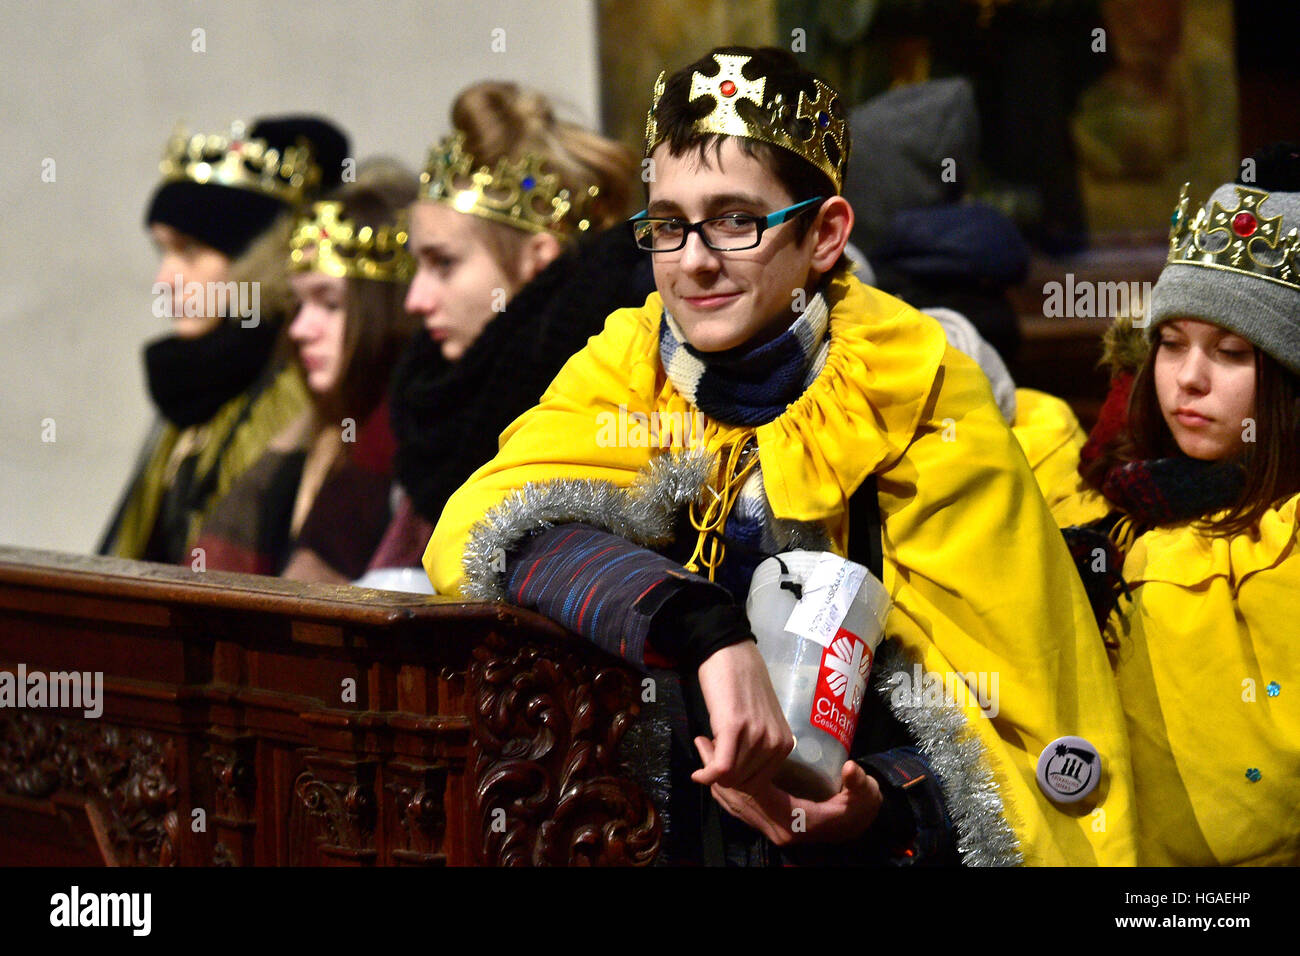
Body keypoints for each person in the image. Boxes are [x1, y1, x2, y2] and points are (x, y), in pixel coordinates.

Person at [426, 47, 1136, 865]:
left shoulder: (915, 388)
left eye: (735, 220)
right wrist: (698, 626)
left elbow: (1014, 727)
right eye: (667, 224)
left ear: (825, 234)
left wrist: (885, 801)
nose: (692, 260)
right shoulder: (624, 366)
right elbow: (487, 528)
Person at [1058, 145, 1300, 865]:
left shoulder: (1283, 535)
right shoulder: (1122, 508)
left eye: (1231, 352)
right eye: (1169, 343)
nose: (1187, 379)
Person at [361, 81, 646, 583]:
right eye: (417, 266)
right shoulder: (432, 405)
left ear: (539, 257)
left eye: (443, 263)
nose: (415, 300)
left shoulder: (604, 400)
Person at [99, 117, 348, 564]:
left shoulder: (293, 387)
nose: (165, 280)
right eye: (163, 252)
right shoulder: (196, 383)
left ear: (255, 262)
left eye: (190, 251)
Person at [191, 161, 420, 580]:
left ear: (390, 310)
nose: (299, 329)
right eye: (299, 303)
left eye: (329, 303)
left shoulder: (410, 447)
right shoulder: (310, 439)